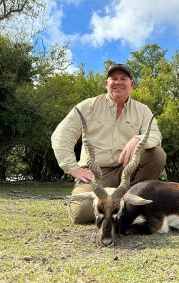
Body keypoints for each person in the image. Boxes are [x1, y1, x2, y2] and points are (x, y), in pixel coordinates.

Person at [51, 64, 166, 224]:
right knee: (80, 214)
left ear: (131, 84)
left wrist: (139, 138)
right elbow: (61, 135)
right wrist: (72, 167)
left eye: (123, 79)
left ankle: (133, 202)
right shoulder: (87, 106)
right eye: (114, 78)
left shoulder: (143, 110)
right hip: (96, 175)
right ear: (106, 83)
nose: (118, 82)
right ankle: (126, 209)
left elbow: (155, 135)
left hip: (126, 171)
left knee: (157, 154)